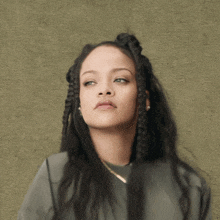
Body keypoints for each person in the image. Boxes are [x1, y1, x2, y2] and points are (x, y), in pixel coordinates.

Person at [17, 33, 211, 220]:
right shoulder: (56, 174)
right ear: (79, 105)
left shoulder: (188, 185)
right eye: (90, 82)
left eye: (120, 79)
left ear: (144, 100)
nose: (104, 90)